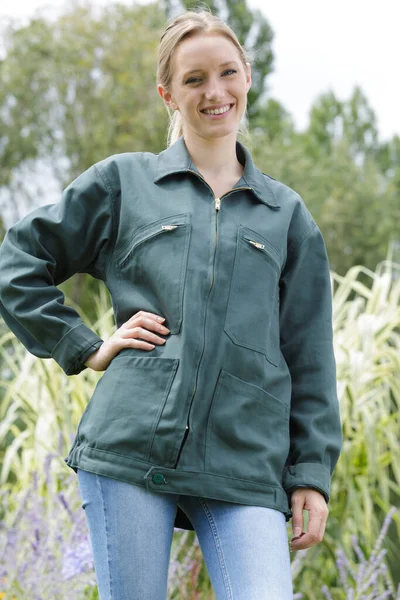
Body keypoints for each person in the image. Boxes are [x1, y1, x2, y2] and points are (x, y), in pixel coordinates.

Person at [0, 8, 342, 600]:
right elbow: (18, 262)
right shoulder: (123, 183)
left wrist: (310, 472)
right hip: (130, 448)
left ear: (247, 78)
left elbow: (309, 353)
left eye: (227, 73)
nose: (215, 92)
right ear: (168, 94)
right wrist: (85, 346)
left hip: (244, 463)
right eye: (193, 79)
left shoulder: (286, 216)